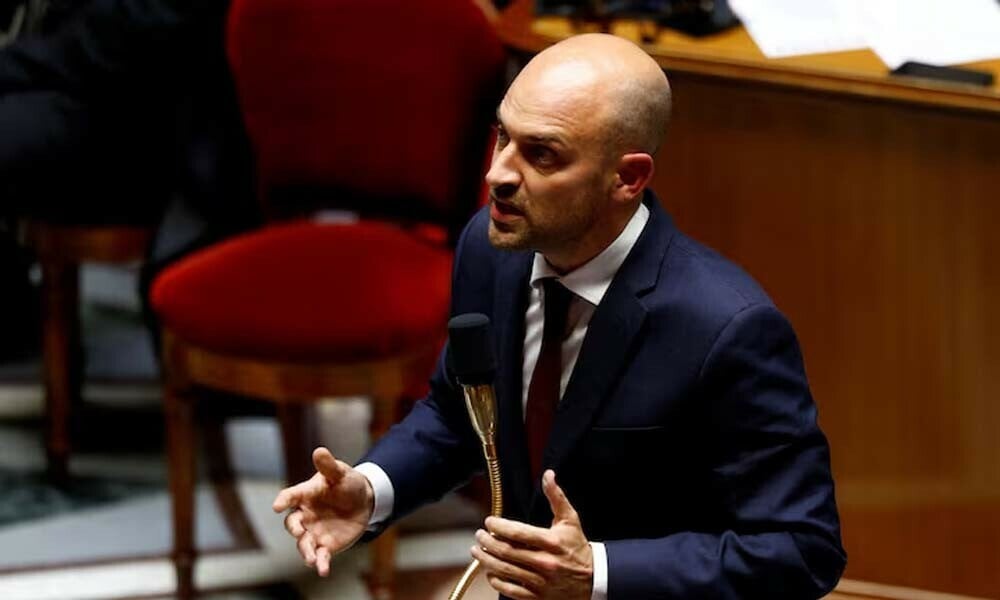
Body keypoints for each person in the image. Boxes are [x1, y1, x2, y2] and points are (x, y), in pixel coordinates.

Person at [273, 33, 846, 599]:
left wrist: (595, 571)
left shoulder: (726, 329)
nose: (498, 174)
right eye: (503, 136)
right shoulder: (491, 248)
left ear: (628, 178)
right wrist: (372, 490)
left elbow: (801, 548)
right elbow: (460, 412)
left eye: (542, 154)